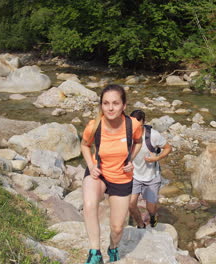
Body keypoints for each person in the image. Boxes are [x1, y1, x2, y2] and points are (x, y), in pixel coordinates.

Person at [81, 85, 143, 264]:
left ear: (124, 105)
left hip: (121, 177)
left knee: (117, 228)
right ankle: (95, 253)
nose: (110, 108)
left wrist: (130, 158)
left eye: (115, 103)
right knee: (89, 202)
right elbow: (84, 145)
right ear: (101, 105)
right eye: (106, 103)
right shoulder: (95, 125)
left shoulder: (133, 124)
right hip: (98, 173)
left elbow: (138, 141)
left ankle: (113, 247)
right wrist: (91, 165)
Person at [128, 110, 172, 229]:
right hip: (134, 176)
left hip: (151, 177)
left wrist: (157, 158)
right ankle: (141, 225)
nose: (136, 128)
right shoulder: (126, 134)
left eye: (139, 125)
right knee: (131, 205)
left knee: (150, 208)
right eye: (133, 125)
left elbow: (168, 148)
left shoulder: (153, 135)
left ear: (144, 122)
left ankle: (153, 216)